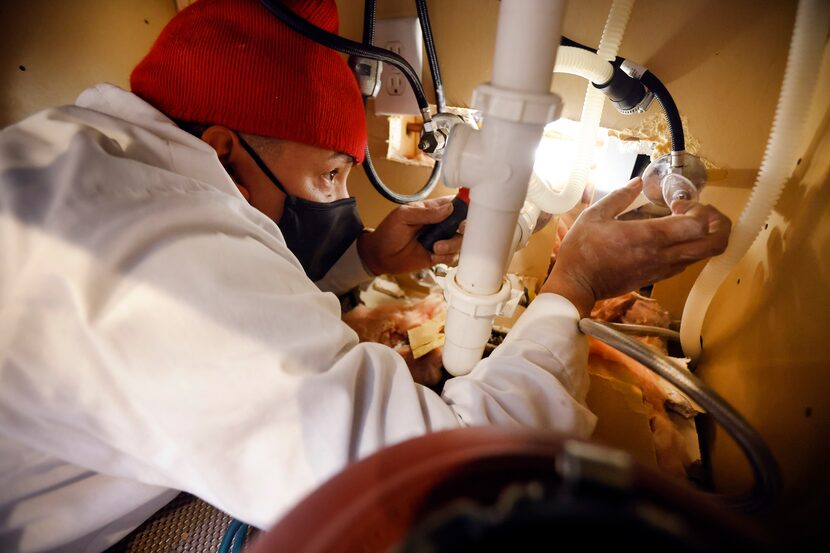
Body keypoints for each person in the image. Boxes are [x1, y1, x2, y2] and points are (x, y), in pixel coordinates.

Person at [0, 0, 731, 551]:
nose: (341, 201)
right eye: (328, 175)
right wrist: (573, 285)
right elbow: (441, 478)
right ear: (224, 152)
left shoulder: (86, 154)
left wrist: (369, 260)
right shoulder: (154, 258)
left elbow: (222, 313)